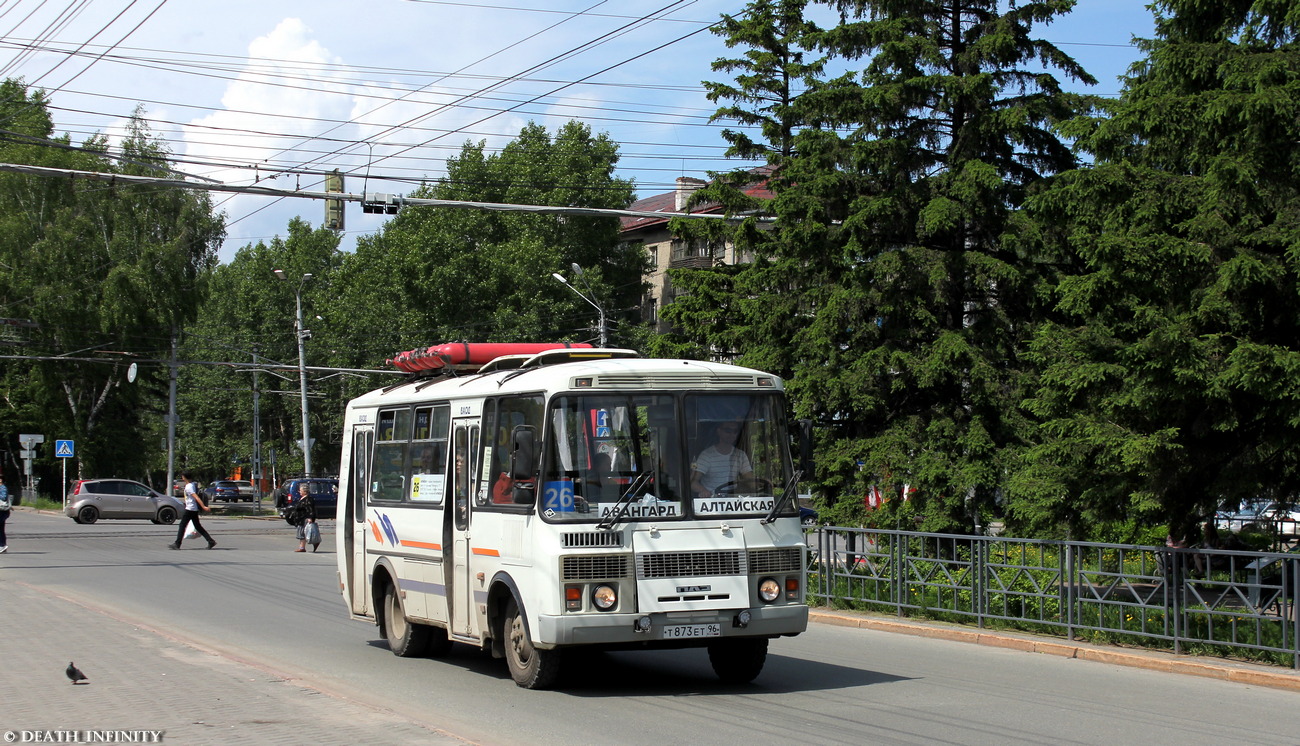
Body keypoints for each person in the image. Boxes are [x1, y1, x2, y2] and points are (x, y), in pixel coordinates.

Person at [691, 421, 754, 497]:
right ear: (719, 431)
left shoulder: (740, 455)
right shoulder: (707, 455)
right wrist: (704, 491)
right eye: (728, 430)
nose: (732, 434)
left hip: (733, 502)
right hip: (712, 503)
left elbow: (750, 480)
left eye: (735, 431)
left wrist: (761, 484)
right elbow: (693, 482)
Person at [169, 472, 215, 550]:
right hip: (192, 508)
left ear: (184, 477)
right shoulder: (192, 485)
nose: (182, 477)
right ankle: (210, 541)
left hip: (190, 509)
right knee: (198, 526)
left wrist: (204, 507)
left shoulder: (189, 486)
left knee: (182, 525)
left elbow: (196, 498)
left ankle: (177, 544)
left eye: (182, 476)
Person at [294, 483, 319, 552]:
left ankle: (302, 547)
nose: (299, 492)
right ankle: (309, 544)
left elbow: (310, 509)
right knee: (305, 532)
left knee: (303, 532)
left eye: (301, 490)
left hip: (305, 518)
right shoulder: (303, 498)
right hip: (301, 518)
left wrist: (310, 518)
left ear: (305, 491)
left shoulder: (308, 499)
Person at [0, 475, 10, 553]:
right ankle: (2, 545)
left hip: (2, 510)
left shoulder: (2, 487)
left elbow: (3, 497)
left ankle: (2, 545)